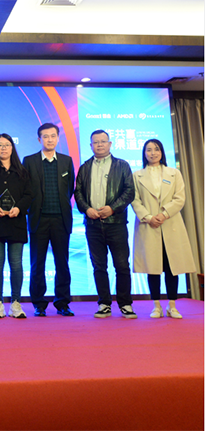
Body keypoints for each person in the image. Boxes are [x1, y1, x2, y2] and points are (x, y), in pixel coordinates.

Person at [131, 139, 196, 318]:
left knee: (171, 266)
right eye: (149, 150)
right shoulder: (137, 175)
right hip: (149, 225)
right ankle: (156, 306)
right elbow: (135, 200)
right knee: (152, 267)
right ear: (144, 153)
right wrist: (149, 217)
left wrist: (164, 214)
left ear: (162, 152)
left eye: (156, 149)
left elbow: (179, 198)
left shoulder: (174, 173)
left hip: (170, 223)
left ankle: (172, 306)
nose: (153, 153)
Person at [75, 129, 136, 318]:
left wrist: (113, 208)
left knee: (122, 265)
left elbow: (129, 191)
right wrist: (87, 209)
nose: (99, 145)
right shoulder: (85, 167)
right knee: (99, 266)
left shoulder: (122, 165)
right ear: (91, 145)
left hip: (116, 223)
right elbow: (78, 193)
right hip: (93, 225)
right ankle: (104, 304)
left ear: (110, 144)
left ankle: (125, 304)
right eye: (96, 142)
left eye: (103, 141)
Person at [23, 123, 75, 317]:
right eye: (45, 136)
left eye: (53, 136)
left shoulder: (66, 161)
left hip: (61, 219)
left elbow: (69, 188)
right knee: (37, 264)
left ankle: (62, 303)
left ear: (58, 138)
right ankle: (39, 303)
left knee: (62, 263)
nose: (49, 139)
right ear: (39, 139)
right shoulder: (29, 161)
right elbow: (26, 189)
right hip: (39, 219)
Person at [0, 134, 32, 319]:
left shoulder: (22, 171)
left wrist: (19, 208)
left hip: (16, 221)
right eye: (0, 145)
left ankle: (16, 303)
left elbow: (29, 194)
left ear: (12, 147)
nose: (3, 148)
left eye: (7, 145)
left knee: (16, 264)